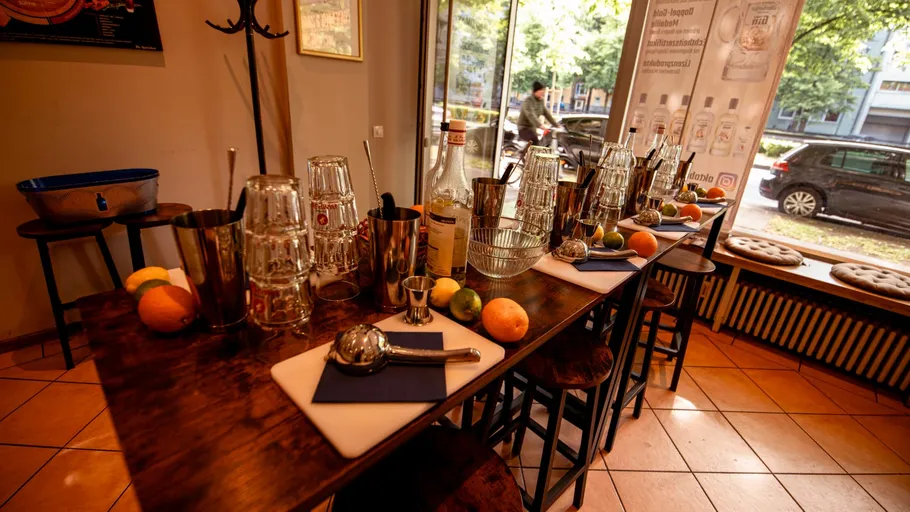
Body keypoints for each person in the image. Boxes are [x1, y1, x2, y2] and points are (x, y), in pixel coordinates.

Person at [517, 81, 560, 146]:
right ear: (535, 91)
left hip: (533, 129)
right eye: (541, 90)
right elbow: (531, 115)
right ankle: (523, 155)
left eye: (543, 91)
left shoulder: (541, 101)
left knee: (542, 142)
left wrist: (556, 125)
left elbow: (547, 114)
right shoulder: (528, 101)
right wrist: (540, 125)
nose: (543, 93)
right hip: (524, 128)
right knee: (534, 141)